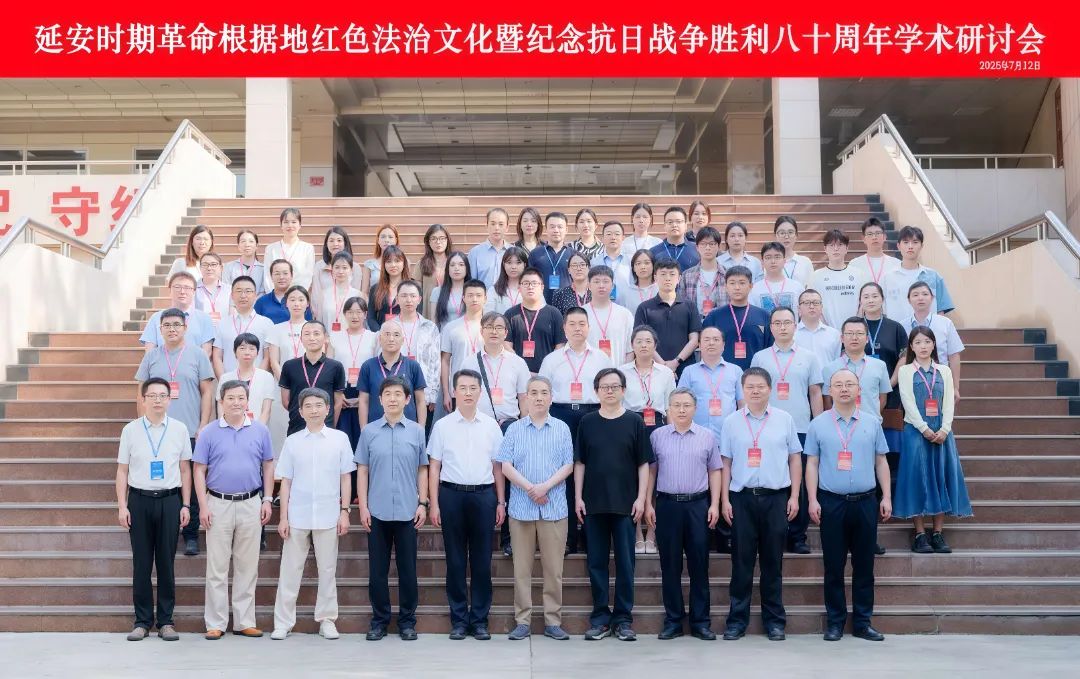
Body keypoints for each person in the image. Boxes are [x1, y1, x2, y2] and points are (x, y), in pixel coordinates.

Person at [805, 368, 892, 642]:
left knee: (864, 566)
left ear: (858, 390)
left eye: (849, 384)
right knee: (833, 566)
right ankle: (835, 623)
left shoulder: (871, 422)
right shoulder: (818, 424)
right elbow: (812, 463)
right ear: (830, 390)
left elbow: (881, 461)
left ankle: (863, 623)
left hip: (865, 502)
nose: (844, 389)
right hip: (832, 503)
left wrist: (886, 496)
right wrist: (812, 499)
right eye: (838, 385)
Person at [719, 368, 802, 641]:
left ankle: (775, 622)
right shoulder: (731, 421)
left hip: (775, 498)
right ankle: (736, 621)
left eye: (760, 386)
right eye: (750, 387)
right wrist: (724, 500)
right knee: (741, 563)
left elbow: (794, 458)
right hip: (741, 499)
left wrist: (794, 496)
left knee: (772, 563)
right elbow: (726, 463)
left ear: (770, 389)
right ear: (743, 390)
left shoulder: (784, 419)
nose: (755, 391)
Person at [574, 368, 653, 641]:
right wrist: (578, 497)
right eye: (604, 387)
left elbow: (643, 464)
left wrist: (641, 498)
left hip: (626, 505)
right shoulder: (587, 422)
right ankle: (600, 619)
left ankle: (623, 620)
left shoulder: (634, 421)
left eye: (615, 386)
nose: (609, 391)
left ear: (623, 390)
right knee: (596, 563)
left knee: (625, 564)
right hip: (593, 504)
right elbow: (580, 462)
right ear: (596, 391)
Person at [428, 369, 507, 641]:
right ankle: (459, 620)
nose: (468, 393)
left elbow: (498, 467)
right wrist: (434, 503)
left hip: (484, 497)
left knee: (482, 561)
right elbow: (434, 467)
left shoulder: (491, 426)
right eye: (462, 388)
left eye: (473, 388)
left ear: (480, 392)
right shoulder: (443, 426)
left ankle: (480, 621)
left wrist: (501, 501)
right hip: (451, 496)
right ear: (454, 392)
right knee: (455, 561)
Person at [193, 379, 275, 640]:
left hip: (251, 503)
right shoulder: (208, 432)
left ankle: (244, 621)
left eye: (241, 398)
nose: (236, 402)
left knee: (247, 566)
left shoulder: (260, 430)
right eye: (230, 398)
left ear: (247, 401)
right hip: (218, 503)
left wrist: (267, 499)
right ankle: (215, 622)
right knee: (217, 567)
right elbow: (199, 470)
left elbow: (269, 465)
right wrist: (203, 505)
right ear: (221, 401)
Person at [270, 387, 353, 641]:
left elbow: (346, 478)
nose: (314, 410)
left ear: (328, 409)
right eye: (308, 406)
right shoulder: (293, 442)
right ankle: (283, 622)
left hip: (329, 514)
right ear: (301, 410)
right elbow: (285, 482)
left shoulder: (340, 439)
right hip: (297, 515)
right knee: (290, 570)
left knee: (327, 570)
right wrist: (283, 517)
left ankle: (327, 620)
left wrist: (345, 511)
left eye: (319, 405)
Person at [496, 375, 574, 641]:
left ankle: (553, 621)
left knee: (554, 570)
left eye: (544, 393)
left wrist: (545, 487)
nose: (539, 397)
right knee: (522, 570)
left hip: (554, 508)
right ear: (526, 397)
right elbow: (505, 465)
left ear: (551, 397)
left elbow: (568, 465)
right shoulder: (514, 429)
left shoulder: (562, 428)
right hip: (521, 509)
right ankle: (522, 621)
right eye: (534, 393)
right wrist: (531, 488)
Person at [117, 377, 193, 642]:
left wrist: (186, 504)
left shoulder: (180, 429)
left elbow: (185, 470)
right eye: (152, 395)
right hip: (139, 501)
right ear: (143, 399)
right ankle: (142, 622)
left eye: (163, 395)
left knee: (166, 563)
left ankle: (166, 622)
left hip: (170, 501)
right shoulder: (130, 430)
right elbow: (122, 471)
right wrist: (122, 505)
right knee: (141, 563)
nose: (158, 400)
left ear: (170, 400)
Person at [134, 308, 214, 557]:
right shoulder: (152, 356)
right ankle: (165, 531)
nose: (172, 329)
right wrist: (142, 424)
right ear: (160, 329)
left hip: (189, 430)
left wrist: (204, 424)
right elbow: (141, 392)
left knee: (190, 481)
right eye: (166, 325)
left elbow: (207, 392)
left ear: (185, 328)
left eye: (176, 324)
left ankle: (190, 534)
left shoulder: (198, 354)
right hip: (158, 431)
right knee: (164, 481)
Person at [645, 388, 723, 641]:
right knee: (670, 566)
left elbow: (715, 471)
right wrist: (648, 503)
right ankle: (673, 621)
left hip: (698, 506)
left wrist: (715, 504)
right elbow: (652, 472)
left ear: (695, 408)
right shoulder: (657, 436)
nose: (681, 410)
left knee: (699, 565)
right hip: (667, 505)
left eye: (686, 405)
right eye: (676, 405)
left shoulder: (707, 436)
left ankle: (701, 622)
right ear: (668, 408)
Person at [355, 376, 430, 641]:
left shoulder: (417, 431)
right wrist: (363, 507)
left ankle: (407, 622)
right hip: (377, 511)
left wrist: (423, 503)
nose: (393, 399)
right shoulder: (369, 432)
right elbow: (362, 470)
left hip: (409, 511)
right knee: (378, 572)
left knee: (408, 571)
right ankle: (379, 621)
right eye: (387, 394)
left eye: (398, 394)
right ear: (380, 399)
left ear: (407, 399)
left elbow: (423, 469)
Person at [750, 307, 824, 555]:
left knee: (797, 483)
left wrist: (818, 424)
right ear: (771, 327)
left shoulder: (809, 357)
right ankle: (770, 534)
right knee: (771, 481)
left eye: (787, 322)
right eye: (777, 323)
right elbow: (752, 390)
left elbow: (815, 392)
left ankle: (797, 536)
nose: (782, 327)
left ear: (795, 325)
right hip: (765, 428)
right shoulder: (760, 358)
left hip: (801, 427)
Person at [540, 307, 613, 554]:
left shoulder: (601, 359)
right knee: (564, 474)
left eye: (582, 323)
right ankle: (568, 537)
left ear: (589, 327)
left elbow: (609, 389)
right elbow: (543, 392)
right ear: (564, 328)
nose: (577, 328)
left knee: (592, 473)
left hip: (593, 415)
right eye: (572, 324)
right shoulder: (552, 359)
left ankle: (593, 538)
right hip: (561, 415)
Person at [894, 327, 972, 554]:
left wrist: (945, 428)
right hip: (915, 432)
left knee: (941, 476)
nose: (923, 346)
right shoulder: (906, 371)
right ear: (911, 346)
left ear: (934, 344)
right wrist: (924, 429)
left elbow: (948, 402)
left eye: (927, 341)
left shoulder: (944, 370)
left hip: (942, 433)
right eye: (918, 342)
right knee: (917, 478)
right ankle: (920, 534)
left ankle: (938, 533)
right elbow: (907, 401)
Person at [677, 326, 744, 553]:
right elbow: (680, 403)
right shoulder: (689, 372)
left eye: (716, 339)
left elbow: (741, 404)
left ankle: (725, 537)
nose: (711, 343)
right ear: (699, 345)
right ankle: (700, 537)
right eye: (706, 339)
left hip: (726, 438)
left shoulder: (735, 371)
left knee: (725, 486)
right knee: (699, 488)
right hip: (696, 439)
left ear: (724, 345)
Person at [858, 282, 910, 461]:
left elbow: (904, 357)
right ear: (860, 301)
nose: (871, 300)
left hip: (891, 393)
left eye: (875, 296)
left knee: (890, 449)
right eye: (866, 296)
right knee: (861, 444)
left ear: (882, 299)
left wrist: (889, 383)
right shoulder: (854, 327)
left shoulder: (895, 327)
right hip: (860, 394)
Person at [326, 297, 379, 452]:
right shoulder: (335, 337)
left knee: (363, 439)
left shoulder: (374, 337)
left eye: (358, 312)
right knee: (343, 439)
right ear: (344, 314)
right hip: (341, 392)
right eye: (350, 312)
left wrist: (364, 397)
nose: (354, 316)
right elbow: (329, 368)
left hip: (366, 391)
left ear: (365, 314)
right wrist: (337, 394)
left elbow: (377, 367)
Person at [633, 258, 701, 377]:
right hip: (653, 369)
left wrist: (676, 362)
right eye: (663, 274)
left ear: (679, 278)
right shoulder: (644, 308)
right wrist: (663, 365)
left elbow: (694, 340)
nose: (668, 278)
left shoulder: (690, 306)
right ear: (655, 278)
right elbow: (641, 340)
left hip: (685, 368)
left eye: (672, 274)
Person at [460, 311, 530, 427]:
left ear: (506, 333)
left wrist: (524, 428)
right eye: (489, 327)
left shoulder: (518, 363)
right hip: (478, 425)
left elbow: (524, 398)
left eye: (499, 327)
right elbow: (462, 397)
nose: (494, 331)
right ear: (481, 331)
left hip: (509, 425)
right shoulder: (469, 363)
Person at [278, 321, 346, 436]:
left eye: (316, 333)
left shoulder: (336, 366)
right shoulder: (289, 366)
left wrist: (330, 426)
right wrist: (305, 413)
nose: (312, 338)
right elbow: (286, 401)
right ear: (301, 339)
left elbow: (338, 402)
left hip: (326, 429)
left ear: (326, 338)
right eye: (307, 334)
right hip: (297, 427)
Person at [357, 320, 428, 427]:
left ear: (402, 340)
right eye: (387, 334)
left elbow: (420, 401)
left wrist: (421, 430)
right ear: (380, 339)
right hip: (376, 429)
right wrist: (364, 430)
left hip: (407, 429)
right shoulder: (368, 366)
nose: (391, 339)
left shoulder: (413, 366)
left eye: (396, 335)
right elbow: (363, 401)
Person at [822, 318, 893, 422]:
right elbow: (827, 401)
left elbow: (883, 398)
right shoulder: (830, 368)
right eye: (849, 333)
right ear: (842, 338)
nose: (854, 337)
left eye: (859, 333)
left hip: (871, 425)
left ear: (867, 338)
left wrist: (870, 419)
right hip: (839, 425)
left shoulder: (880, 366)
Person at [901, 282, 965, 398]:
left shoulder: (945, 323)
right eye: (915, 295)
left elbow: (954, 355)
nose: (920, 298)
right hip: (911, 382)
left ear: (932, 298)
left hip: (940, 381)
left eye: (925, 294)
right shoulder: (902, 326)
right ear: (909, 300)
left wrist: (955, 387)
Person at [702, 266, 772, 370]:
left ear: (751, 286)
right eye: (732, 283)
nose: (737, 287)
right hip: (722, 374)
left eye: (742, 283)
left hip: (756, 374)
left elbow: (770, 350)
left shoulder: (764, 316)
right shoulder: (714, 317)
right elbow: (705, 348)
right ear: (726, 286)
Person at [394, 281, 441, 429]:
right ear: (397, 299)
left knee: (421, 432)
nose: (408, 300)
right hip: (396, 390)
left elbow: (435, 362)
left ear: (419, 299)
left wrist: (433, 394)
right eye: (404, 296)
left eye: (413, 296)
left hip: (424, 390)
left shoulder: (430, 327)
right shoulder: (389, 326)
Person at [883, 225, 956, 320]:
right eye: (906, 242)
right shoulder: (888, 277)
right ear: (898, 246)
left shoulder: (933, 276)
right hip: (897, 329)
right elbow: (882, 310)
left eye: (915, 242)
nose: (910, 246)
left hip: (927, 329)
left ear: (921, 246)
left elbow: (941, 310)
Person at [439, 279, 487, 417]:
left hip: (485, 388)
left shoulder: (491, 327)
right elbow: (445, 361)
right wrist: (446, 392)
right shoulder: (451, 327)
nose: (474, 299)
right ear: (463, 298)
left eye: (478, 295)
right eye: (470, 295)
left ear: (485, 298)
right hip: (459, 388)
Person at [505, 268, 566, 373]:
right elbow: (506, 345)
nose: (530, 287)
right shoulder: (510, 314)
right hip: (518, 374)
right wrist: (522, 370)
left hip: (547, 375)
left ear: (542, 287)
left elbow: (560, 346)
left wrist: (546, 370)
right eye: (526, 283)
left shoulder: (554, 314)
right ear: (519, 288)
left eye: (534, 283)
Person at [212, 276, 274, 379]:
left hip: (257, 383)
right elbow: (217, 357)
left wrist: (256, 381)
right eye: (239, 291)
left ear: (255, 295)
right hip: (229, 384)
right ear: (232, 295)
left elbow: (267, 357)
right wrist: (224, 382)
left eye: (248, 291)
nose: (243, 295)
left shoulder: (266, 323)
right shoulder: (222, 323)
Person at [140, 272, 214, 356]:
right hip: (163, 364)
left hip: (195, 364)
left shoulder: (204, 318)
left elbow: (206, 353)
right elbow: (149, 353)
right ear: (170, 291)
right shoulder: (156, 318)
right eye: (177, 287)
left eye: (187, 287)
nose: (182, 291)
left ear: (194, 292)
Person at [810, 229, 870, 328]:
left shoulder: (859, 274)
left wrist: (855, 324)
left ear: (847, 248)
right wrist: (826, 328)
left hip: (854, 330)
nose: (836, 249)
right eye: (831, 245)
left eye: (840, 245)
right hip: (825, 330)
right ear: (825, 249)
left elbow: (864, 302)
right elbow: (812, 304)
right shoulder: (816, 276)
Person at [216, 333, 277, 426]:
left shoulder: (266, 377)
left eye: (252, 349)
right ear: (235, 352)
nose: (247, 352)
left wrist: (257, 431)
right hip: (230, 428)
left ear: (257, 353)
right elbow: (221, 407)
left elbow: (266, 411)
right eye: (242, 348)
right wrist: (225, 428)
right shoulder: (225, 378)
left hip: (257, 429)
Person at [585, 266, 635, 363]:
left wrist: (624, 371)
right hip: (588, 371)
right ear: (589, 286)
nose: (601, 285)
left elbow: (630, 350)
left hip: (618, 370)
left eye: (605, 281)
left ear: (612, 286)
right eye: (596, 281)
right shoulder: (582, 313)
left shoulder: (625, 314)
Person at [266, 285, 315, 381]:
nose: (296, 304)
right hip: (282, 383)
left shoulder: (315, 329)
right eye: (292, 300)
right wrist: (285, 383)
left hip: (309, 383)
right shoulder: (276, 329)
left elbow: (318, 360)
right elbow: (274, 362)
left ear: (307, 303)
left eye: (301, 300)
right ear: (286, 303)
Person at [679, 226, 728, 319]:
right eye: (703, 244)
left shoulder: (727, 275)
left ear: (718, 247)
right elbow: (681, 306)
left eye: (712, 244)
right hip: (695, 324)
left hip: (721, 324)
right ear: (697, 247)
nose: (707, 248)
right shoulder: (687, 275)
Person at [263, 208, 315, 292]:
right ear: (281, 225)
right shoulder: (271, 249)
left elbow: (308, 276)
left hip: (298, 295)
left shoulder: (308, 248)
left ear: (300, 225)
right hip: (275, 295)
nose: (290, 225)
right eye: (286, 222)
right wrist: (274, 295)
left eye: (294, 222)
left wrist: (297, 295)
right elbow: (267, 276)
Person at [528, 211, 573, 303]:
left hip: (568, 304)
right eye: (552, 227)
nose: (556, 230)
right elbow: (529, 279)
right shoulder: (535, 254)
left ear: (566, 230)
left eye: (560, 227)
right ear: (546, 229)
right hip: (541, 304)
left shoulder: (574, 255)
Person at [750, 242, 805, 317]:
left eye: (777, 257)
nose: (773, 261)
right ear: (762, 262)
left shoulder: (797, 287)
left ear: (784, 261)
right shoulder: (754, 289)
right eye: (768, 257)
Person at [311, 226, 365, 301]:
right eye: (331, 241)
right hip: (324, 307)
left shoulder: (355, 267)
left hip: (347, 307)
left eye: (339, 240)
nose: (335, 244)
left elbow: (355, 295)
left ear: (345, 243)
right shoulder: (319, 266)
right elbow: (316, 295)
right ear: (326, 244)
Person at [254, 259, 313, 326]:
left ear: (291, 276)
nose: (281, 277)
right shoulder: (261, 302)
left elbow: (309, 326)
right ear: (271, 277)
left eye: (285, 273)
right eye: (277, 274)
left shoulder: (300, 301)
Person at [794, 289, 843, 369]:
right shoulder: (792, 334)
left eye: (816, 303)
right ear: (799, 308)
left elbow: (836, 362)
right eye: (806, 303)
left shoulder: (834, 334)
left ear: (821, 307)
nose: (811, 306)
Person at [365, 245, 410, 331]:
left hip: (405, 335)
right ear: (384, 265)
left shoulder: (412, 288)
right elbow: (371, 317)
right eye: (389, 261)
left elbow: (417, 315)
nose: (393, 265)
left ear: (404, 263)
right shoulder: (375, 289)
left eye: (397, 261)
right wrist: (381, 333)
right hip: (381, 335)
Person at [313, 251, 361, 330]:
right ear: (332, 270)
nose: (340, 271)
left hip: (350, 337)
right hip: (328, 337)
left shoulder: (357, 295)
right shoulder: (324, 294)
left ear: (351, 270)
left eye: (344, 268)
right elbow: (319, 322)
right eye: (337, 267)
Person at [849, 217, 900, 286]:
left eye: (878, 233)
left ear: (884, 237)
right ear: (863, 239)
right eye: (870, 234)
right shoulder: (854, 264)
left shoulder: (896, 264)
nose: (874, 237)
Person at [417, 223, 452, 319]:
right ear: (428, 242)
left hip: (451, 311)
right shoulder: (421, 264)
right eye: (433, 238)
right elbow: (416, 293)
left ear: (447, 240)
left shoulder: (454, 262)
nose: (438, 242)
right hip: (428, 313)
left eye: (442, 238)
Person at [468, 208, 510, 287]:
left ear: (507, 227)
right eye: (493, 224)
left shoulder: (513, 251)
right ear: (487, 226)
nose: (496, 228)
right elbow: (471, 283)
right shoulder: (475, 253)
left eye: (501, 224)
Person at [649, 207, 700, 271]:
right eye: (670, 222)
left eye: (678, 222)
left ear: (685, 225)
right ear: (664, 226)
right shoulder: (654, 252)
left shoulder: (697, 249)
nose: (674, 225)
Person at [591, 220, 632, 298]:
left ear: (623, 238)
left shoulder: (631, 261)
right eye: (609, 234)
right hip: (602, 303)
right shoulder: (594, 262)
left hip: (627, 304)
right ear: (602, 238)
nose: (613, 237)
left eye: (617, 234)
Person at [360, 224, 400, 296]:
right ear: (378, 240)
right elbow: (364, 293)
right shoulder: (369, 264)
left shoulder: (403, 263)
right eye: (383, 237)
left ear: (396, 240)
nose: (386, 240)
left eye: (390, 237)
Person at [433, 251, 470, 329]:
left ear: (467, 268)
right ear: (447, 269)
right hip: (444, 335)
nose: (456, 268)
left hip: (468, 335)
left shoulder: (473, 291)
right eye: (452, 265)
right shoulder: (437, 292)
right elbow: (434, 322)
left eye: (461, 265)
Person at [617, 249, 659, 317]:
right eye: (638, 263)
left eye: (647, 263)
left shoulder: (661, 289)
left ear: (653, 265)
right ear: (633, 268)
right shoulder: (627, 292)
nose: (643, 267)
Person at [774, 216, 814, 286]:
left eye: (790, 232)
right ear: (776, 236)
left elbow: (811, 288)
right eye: (782, 233)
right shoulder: (771, 262)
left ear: (796, 235)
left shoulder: (805, 262)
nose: (786, 237)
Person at [487, 246, 528, 314]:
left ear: (525, 265)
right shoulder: (494, 290)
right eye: (509, 262)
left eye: (518, 263)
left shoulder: (532, 288)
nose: (513, 267)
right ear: (504, 265)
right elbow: (488, 315)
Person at [223, 229, 266, 295]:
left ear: (256, 246)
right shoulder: (228, 267)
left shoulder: (263, 269)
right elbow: (226, 291)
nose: (247, 245)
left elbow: (263, 293)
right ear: (238, 246)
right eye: (243, 241)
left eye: (251, 241)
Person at [195, 253, 230, 326]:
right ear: (200, 268)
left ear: (221, 268)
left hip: (224, 330)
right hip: (200, 330)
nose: (209, 268)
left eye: (213, 264)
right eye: (205, 264)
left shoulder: (230, 290)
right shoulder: (192, 289)